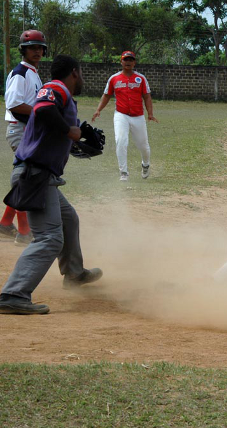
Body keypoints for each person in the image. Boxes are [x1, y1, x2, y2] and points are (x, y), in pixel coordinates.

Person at [0, 55, 103, 315]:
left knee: (69, 220)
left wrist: (76, 139)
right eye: (81, 72)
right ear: (74, 72)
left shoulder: (61, 95)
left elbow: (51, 123)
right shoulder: (56, 87)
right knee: (49, 238)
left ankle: (74, 274)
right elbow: (43, 110)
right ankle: (13, 293)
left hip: (43, 176)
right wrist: (70, 132)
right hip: (35, 175)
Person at [1, 30, 47, 246]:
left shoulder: (33, 72)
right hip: (19, 129)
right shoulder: (21, 73)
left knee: (25, 178)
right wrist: (42, 116)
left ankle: (5, 224)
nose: (37, 51)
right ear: (23, 49)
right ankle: (24, 233)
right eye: (32, 47)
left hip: (25, 129)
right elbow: (14, 104)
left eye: (40, 48)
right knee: (26, 179)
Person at [92, 50, 158, 181]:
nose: (128, 62)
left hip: (138, 116)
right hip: (121, 115)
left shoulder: (141, 79)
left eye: (130, 60)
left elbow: (147, 97)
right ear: (121, 62)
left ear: (134, 62)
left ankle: (145, 164)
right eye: (125, 60)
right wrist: (98, 109)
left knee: (143, 145)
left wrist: (150, 113)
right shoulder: (114, 78)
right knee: (121, 141)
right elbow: (106, 95)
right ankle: (124, 173)